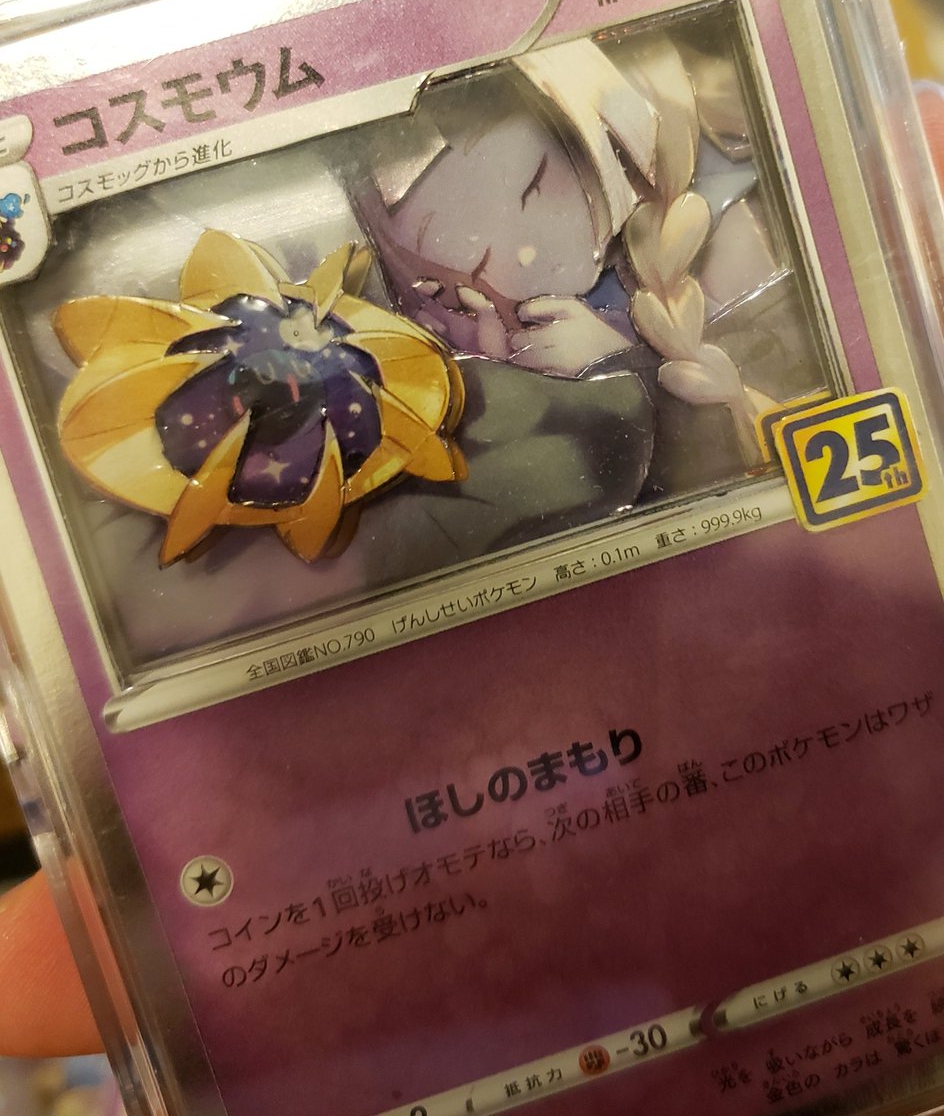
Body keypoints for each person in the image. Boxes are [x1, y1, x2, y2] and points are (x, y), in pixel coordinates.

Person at [1, 86, 943, 1064]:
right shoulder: (403, 381)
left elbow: (728, 451)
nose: (483, 296)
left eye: (533, 196)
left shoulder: (649, 300)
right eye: (442, 296)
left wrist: (623, 368)